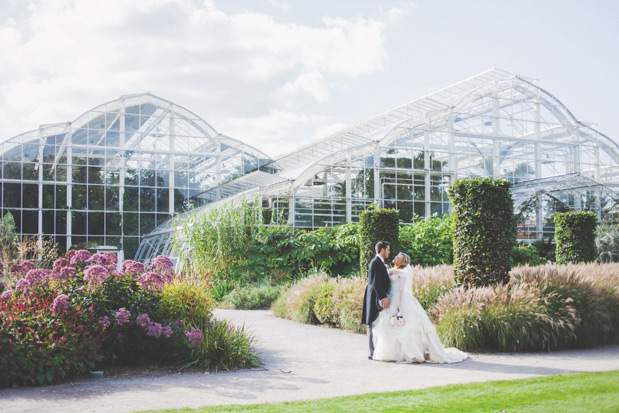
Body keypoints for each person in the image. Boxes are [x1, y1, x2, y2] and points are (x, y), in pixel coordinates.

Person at [371, 252, 468, 364]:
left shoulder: (403, 273)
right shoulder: (390, 269)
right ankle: (390, 353)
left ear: (402, 262)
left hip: (400, 301)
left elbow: (402, 291)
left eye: (397, 257)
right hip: (391, 299)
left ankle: (410, 353)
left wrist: (399, 308)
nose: (394, 258)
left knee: (408, 327)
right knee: (388, 325)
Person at [361, 240, 391, 360]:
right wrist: (383, 297)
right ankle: (372, 353)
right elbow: (376, 282)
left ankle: (376, 351)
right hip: (375, 297)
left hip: (376, 296)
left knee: (376, 323)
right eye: (388, 249)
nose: (389, 252)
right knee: (372, 323)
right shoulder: (375, 262)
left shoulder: (379, 262)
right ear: (382, 250)